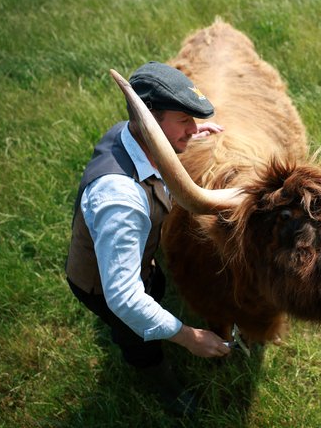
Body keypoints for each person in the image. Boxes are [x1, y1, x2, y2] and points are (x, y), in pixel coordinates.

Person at [66, 61, 230, 416]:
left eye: (193, 119)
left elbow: (160, 142)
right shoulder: (120, 200)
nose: (192, 127)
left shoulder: (128, 134)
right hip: (104, 289)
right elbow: (123, 298)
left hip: (141, 261)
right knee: (136, 337)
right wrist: (190, 337)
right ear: (149, 119)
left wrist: (191, 135)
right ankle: (167, 388)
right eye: (183, 120)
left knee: (151, 290)